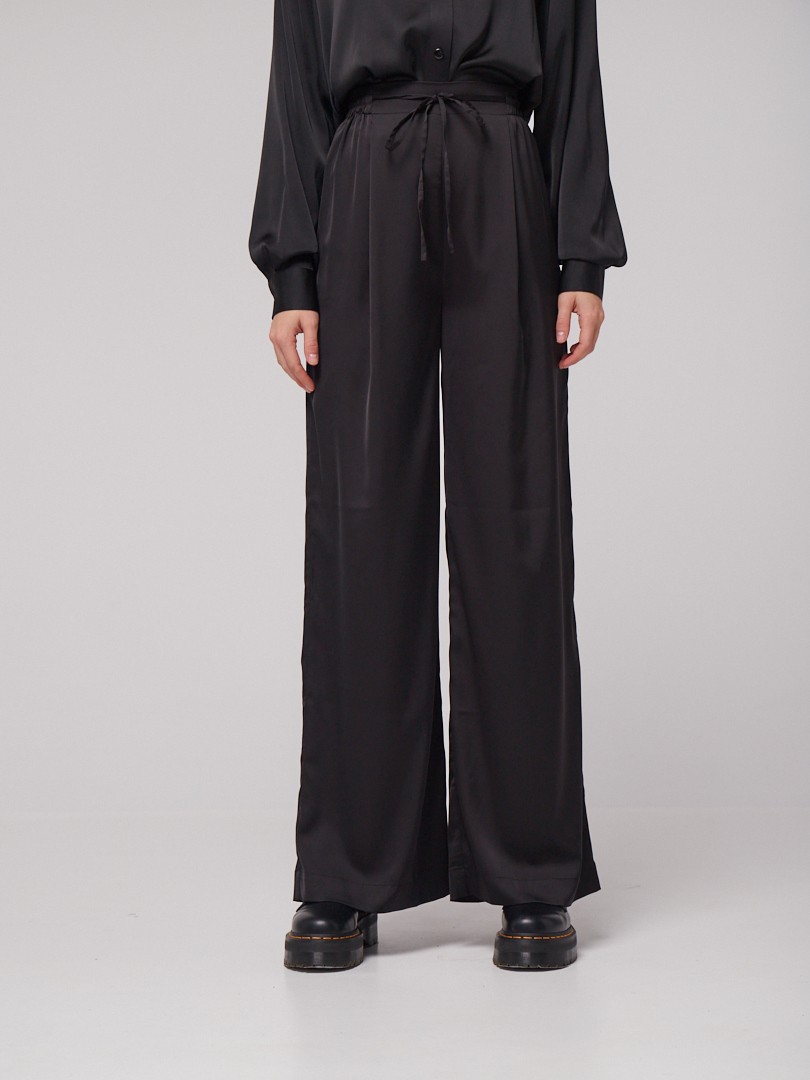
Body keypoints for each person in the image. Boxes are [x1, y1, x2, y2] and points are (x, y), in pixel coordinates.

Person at [249, 0, 627, 972]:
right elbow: (297, 81)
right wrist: (293, 275)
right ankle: (348, 870)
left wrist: (582, 256)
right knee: (362, 523)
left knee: (517, 520)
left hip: (506, 178)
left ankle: (532, 869)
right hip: (363, 183)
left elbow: (574, 67)